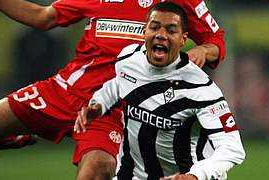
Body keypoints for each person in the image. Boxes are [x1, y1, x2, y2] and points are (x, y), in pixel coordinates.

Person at [0, 0, 226, 179]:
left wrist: (203, 49)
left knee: (99, 169)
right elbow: (42, 17)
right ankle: (25, 136)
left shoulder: (179, 4)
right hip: (65, 91)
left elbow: (215, 39)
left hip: (111, 110)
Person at [74, 2, 245, 180]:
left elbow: (232, 148)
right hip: (132, 174)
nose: (161, 35)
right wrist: (98, 105)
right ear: (144, 32)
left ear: (183, 39)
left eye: (171, 30)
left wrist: (195, 175)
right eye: (154, 27)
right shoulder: (128, 58)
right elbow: (116, 85)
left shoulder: (200, 89)